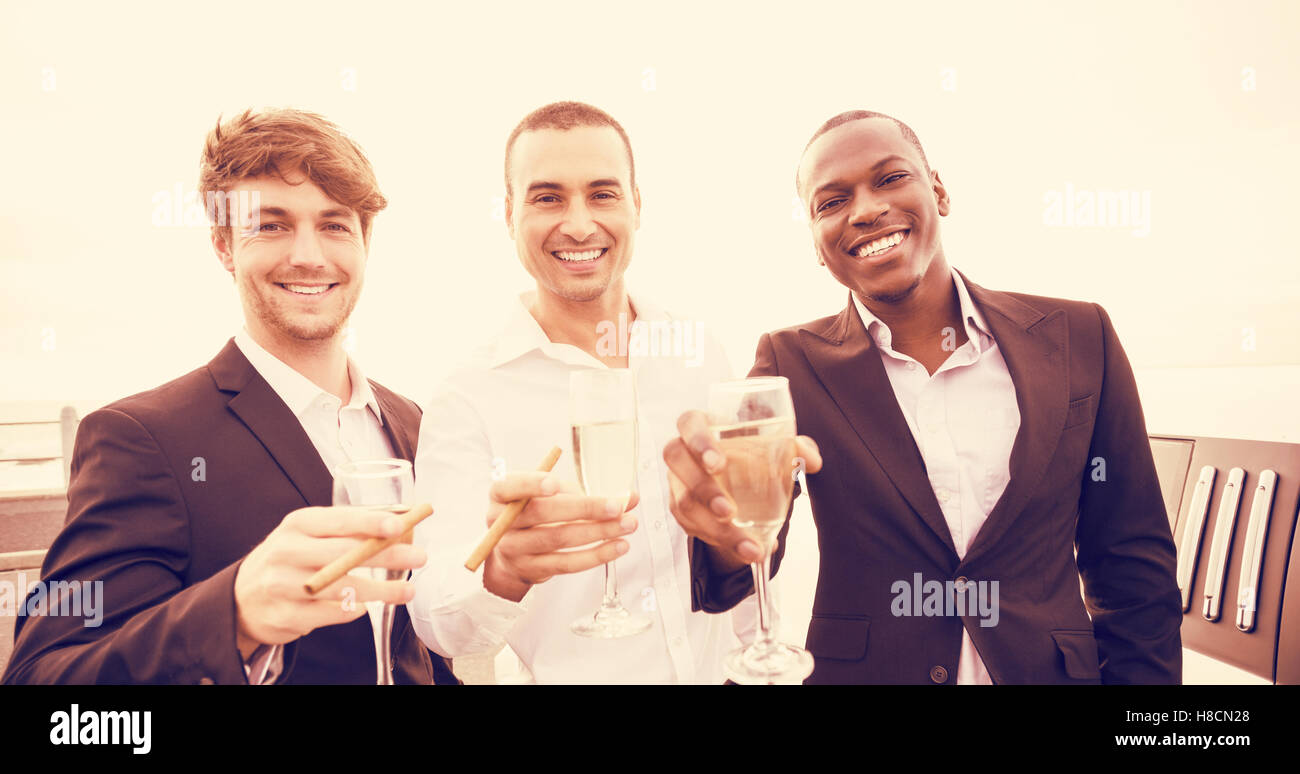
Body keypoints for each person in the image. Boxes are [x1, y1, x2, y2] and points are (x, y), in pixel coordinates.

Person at [662, 110, 1182, 684]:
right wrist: (718, 531)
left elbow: (1133, 566)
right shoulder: (790, 362)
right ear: (815, 242)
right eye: (831, 203)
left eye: (889, 179)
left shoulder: (1079, 335)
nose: (863, 210)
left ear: (938, 190)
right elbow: (746, 558)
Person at [3, 108, 453, 684]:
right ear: (223, 245)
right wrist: (234, 612)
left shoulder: (411, 421)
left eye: (335, 224)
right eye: (270, 225)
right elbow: (47, 680)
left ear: (366, 240)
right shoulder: (139, 438)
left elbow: (421, 650)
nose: (309, 256)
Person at [408, 101, 755, 684]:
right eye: (547, 198)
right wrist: (503, 571)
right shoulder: (468, 394)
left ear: (636, 205)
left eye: (602, 194)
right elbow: (441, 627)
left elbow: (735, 569)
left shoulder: (699, 352)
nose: (577, 223)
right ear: (509, 213)